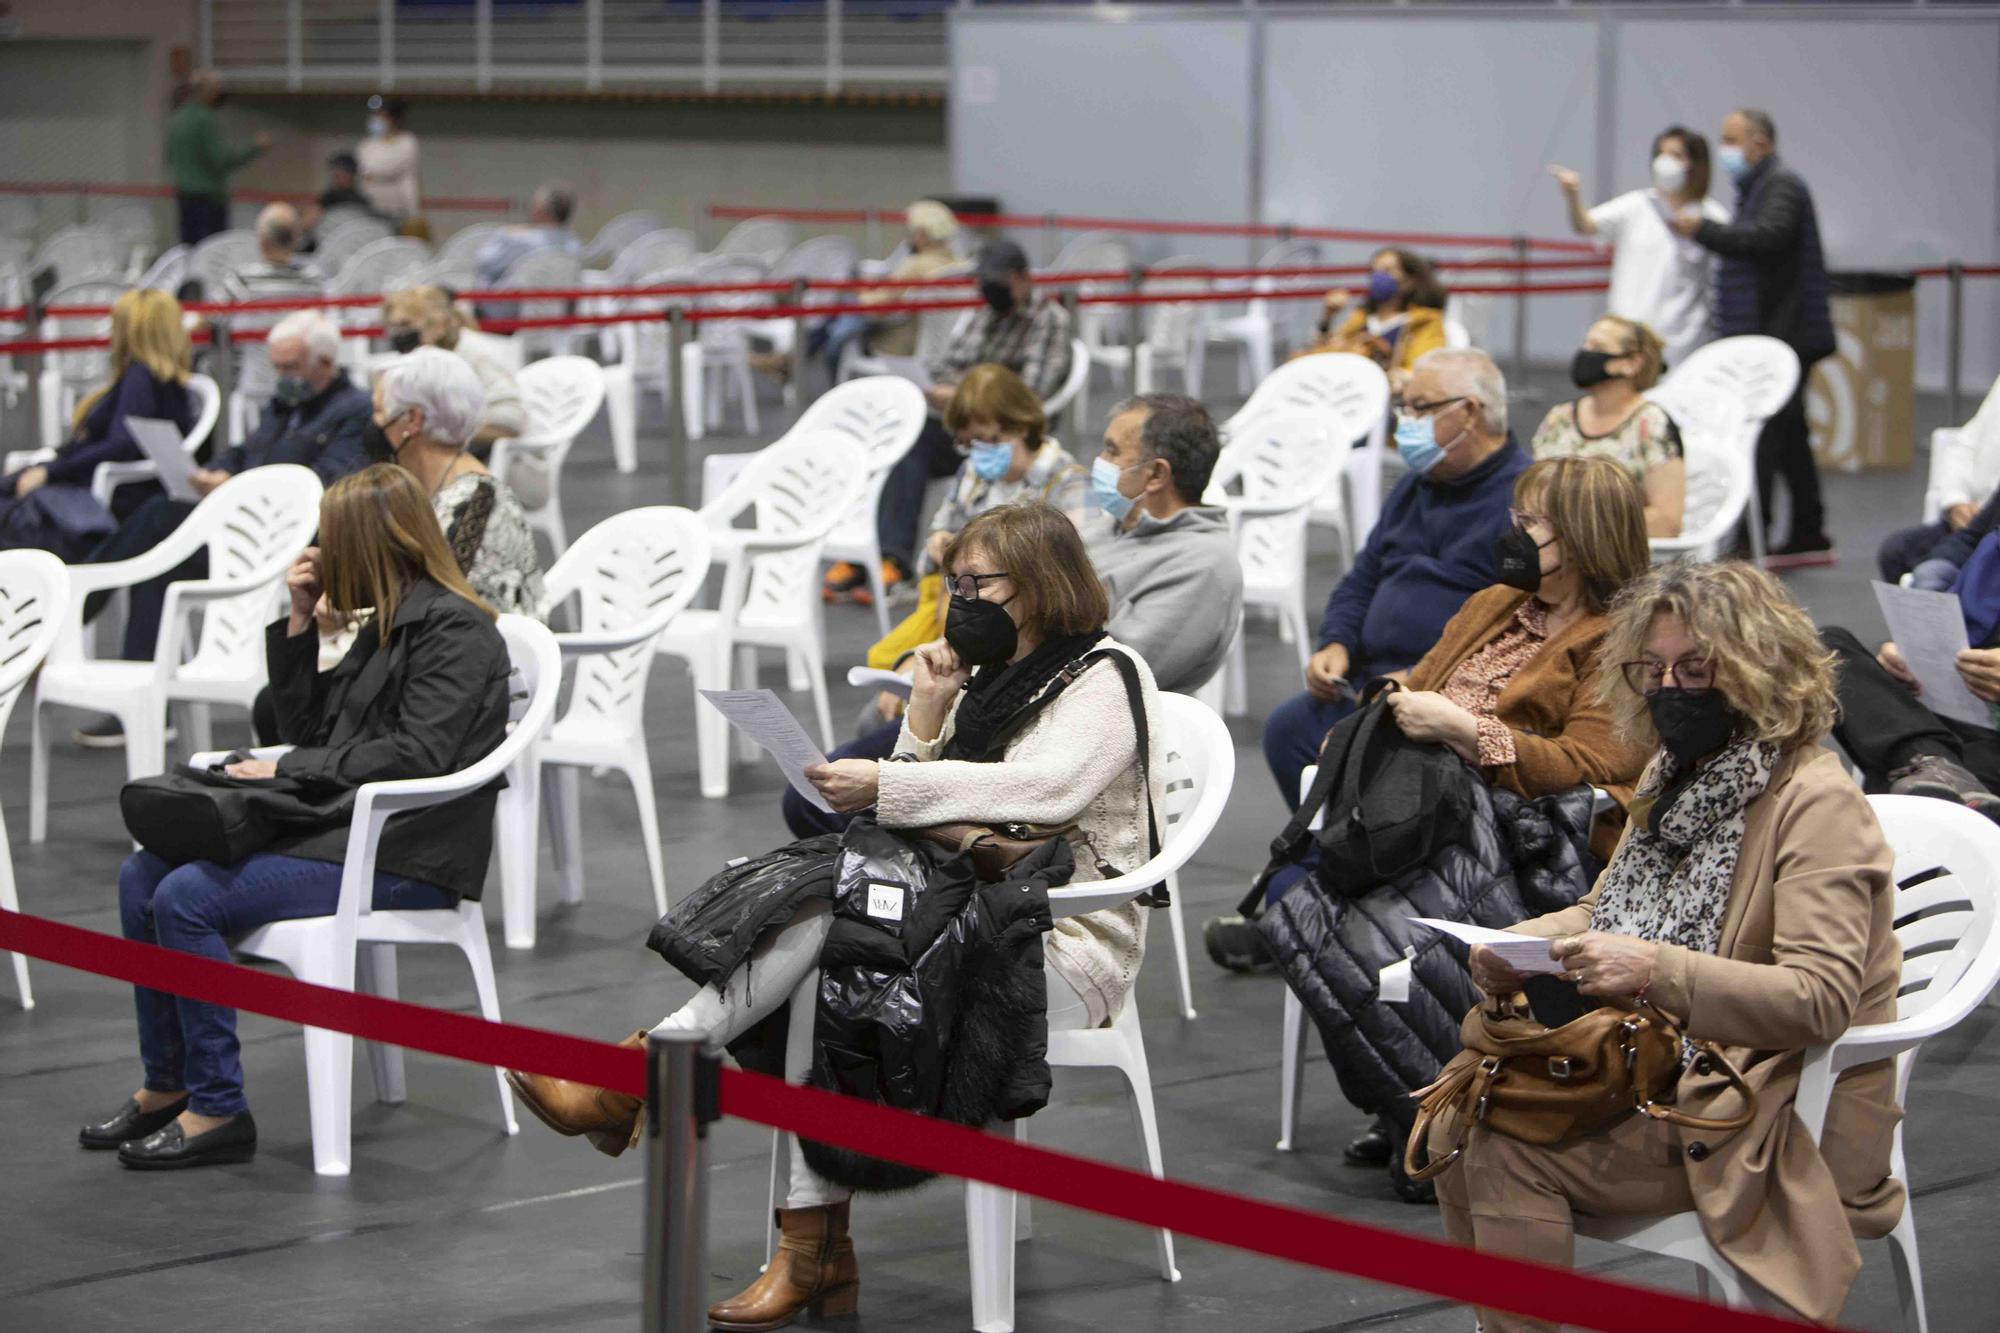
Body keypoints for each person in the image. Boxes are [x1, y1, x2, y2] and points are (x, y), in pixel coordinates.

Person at [504, 502, 1164, 1330]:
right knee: (830, 948)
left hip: (1062, 941)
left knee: (827, 942)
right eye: (954, 580)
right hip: (958, 913)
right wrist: (925, 715)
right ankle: (805, 1245)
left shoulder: (1106, 675)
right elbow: (920, 818)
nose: (959, 598)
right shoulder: (992, 677)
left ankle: (682, 1120)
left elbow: (1043, 792)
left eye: (977, 583)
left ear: (1037, 583)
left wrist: (894, 784)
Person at [1437, 560, 1904, 1331]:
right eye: (1650, 669)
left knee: (1500, 1144)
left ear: (1758, 670)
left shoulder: (1817, 802)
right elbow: (1604, 908)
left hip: (1761, 1095)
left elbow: (1819, 999)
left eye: (1695, 668)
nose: (1669, 689)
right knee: (1467, 1103)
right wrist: (1515, 941)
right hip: (1660, 1057)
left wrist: (1658, 968)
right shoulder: (1677, 773)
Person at [86, 464, 513, 1170]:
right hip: (344, 826)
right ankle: (168, 1082)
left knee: (185, 896)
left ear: (372, 543)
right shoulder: (387, 622)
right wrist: (300, 622)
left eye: (331, 540)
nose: (319, 552)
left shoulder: (455, 630)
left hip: (409, 853)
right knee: (142, 874)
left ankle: (217, 1105)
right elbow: (309, 729)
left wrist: (285, 768)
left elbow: (421, 752)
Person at [1263, 455, 1655, 1178]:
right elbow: (1423, 676)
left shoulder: (1619, 638)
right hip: (1432, 815)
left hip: (1516, 838)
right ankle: (1407, 1100)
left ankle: (1426, 1111)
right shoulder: (1496, 601)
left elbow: (1596, 767)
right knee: (1294, 910)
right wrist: (1386, 706)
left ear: (1581, 535)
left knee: (1338, 926)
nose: (1513, 533)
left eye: (1531, 522)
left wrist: (1469, 734)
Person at [1203, 349, 1530, 971]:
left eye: (1418, 408)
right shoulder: (1415, 487)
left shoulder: (1517, 500)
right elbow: (1362, 577)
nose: (1402, 422)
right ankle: (1323, 901)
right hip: (1369, 679)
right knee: (1292, 729)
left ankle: (1303, 908)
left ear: (1470, 413)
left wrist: (1421, 681)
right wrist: (1336, 643)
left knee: (1358, 759)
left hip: (1439, 696)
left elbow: (1506, 626)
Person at [73, 309, 371, 747]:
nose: (281, 377)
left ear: (324, 364)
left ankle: (74, 606)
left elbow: (326, 485)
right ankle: (147, 705)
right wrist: (213, 472)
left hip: (288, 539)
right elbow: (243, 451)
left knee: (158, 519)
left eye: (290, 367)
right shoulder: (285, 405)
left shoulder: (353, 412)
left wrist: (235, 486)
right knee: (160, 553)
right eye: (277, 367)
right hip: (241, 525)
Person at [843, 240, 1073, 603]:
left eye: (995, 282)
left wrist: (969, 392)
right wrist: (938, 387)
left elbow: (1032, 392)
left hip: (1008, 433)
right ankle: (888, 558)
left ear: (1020, 279)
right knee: (906, 445)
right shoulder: (986, 315)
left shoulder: (1049, 320)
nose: (987, 290)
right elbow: (952, 359)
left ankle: (897, 561)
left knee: (924, 449)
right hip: (968, 423)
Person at [1673, 108, 1836, 566]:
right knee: (1790, 436)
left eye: (1731, 139)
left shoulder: (1780, 185)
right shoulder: (1759, 187)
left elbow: (1767, 238)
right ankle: (1809, 532)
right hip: (1782, 331)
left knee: (1764, 438)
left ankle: (1751, 537)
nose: (1724, 148)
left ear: (1759, 144)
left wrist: (1703, 230)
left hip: (1784, 335)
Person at [0, 289, 194, 559]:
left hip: (103, 497)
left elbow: (120, 446)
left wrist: (51, 471)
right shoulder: (162, 382)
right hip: (95, 484)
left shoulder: (141, 379)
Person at [368, 347, 544, 619]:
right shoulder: (431, 486)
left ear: (413, 419)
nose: (374, 423)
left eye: (379, 411)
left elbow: (437, 609)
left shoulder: (475, 503)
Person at [1086, 392, 1243, 693]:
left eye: (1111, 451)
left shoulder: (1203, 566)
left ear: (1156, 474)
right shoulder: (1105, 528)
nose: (1099, 462)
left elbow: (1111, 677)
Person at [1551, 127, 1730, 370]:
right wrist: (1573, 196)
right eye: (1661, 153)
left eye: (1676, 155)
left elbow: (1722, 281)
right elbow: (1586, 225)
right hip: (1628, 331)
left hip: (1683, 338)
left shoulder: (1713, 217)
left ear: (1695, 163)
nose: (1665, 162)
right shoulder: (1637, 205)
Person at [1530, 315, 1685, 537]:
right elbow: (1533, 495)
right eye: (1585, 344)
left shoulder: (1651, 425)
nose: (1585, 353)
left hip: (1619, 558)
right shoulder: (1559, 418)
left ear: (1632, 363)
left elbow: (1668, 522)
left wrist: (1585, 526)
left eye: (1597, 347)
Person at [816, 198, 964, 374]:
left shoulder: (917, 265)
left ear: (921, 233)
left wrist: (858, 289)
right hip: (941, 345)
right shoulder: (960, 265)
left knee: (842, 312)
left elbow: (874, 307)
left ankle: (809, 351)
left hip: (898, 344)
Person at [1879, 373, 2000, 584]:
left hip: (1991, 536)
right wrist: (1955, 500)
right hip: (1973, 525)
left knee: (1935, 578)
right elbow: (1964, 443)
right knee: (1896, 553)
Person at [382, 286, 526, 452]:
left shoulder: (478, 354)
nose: (399, 334)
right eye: (392, 327)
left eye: (405, 325)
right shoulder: (420, 362)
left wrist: (443, 434)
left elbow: (509, 422)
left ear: (439, 325)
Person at [1293, 247, 1449, 394]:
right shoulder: (1360, 319)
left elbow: (1425, 369)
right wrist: (1328, 316)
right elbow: (1324, 353)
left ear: (1410, 280)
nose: (1379, 276)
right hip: (1348, 393)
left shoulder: (1425, 321)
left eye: (1388, 270)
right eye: (1375, 271)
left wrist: (1399, 377)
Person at [229, 203, 325, 407]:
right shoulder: (314, 280)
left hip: (254, 390)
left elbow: (207, 319)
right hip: (304, 386)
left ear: (261, 240)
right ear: (296, 239)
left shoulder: (242, 280)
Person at [164, 69, 271, 247]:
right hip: (209, 200)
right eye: (218, 89)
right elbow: (221, 161)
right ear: (207, 91)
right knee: (214, 250)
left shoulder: (176, 119)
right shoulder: (205, 120)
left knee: (190, 250)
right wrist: (255, 148)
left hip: (184, 196)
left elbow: (169, 158)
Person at [474, 182, 581, 288]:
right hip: (557, 302)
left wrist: (504, 233)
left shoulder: (519, 239)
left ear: (542, 210)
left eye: (534, 204)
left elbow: (485, 262)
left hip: (513, 302)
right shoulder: (574, 243)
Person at [356, 95, 421, 225]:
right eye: (375, 115)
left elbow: (389, 169)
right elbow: (362, 171)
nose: (376, 119)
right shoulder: (366, 144)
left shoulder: (407, 142)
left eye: (381, 115)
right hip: (368, 207)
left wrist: (372, 174)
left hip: (397, 209)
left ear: (394, 119)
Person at [301, 150, 376, 248]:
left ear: (351, 174)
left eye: (340, 171)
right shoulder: (328, 197)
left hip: (347, 247)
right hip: (325, 246)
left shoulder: (361, 200)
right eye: (334, 171)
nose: (335, 175)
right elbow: (308, 222)